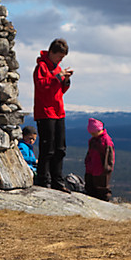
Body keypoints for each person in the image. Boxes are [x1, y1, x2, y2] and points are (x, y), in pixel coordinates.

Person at [33, 38, 73, 192]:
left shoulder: (57, 68)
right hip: (45, 112)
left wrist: (66, 80)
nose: (61, 60)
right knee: (47, 148)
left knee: (60, 148)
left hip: (58, 112)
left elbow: (59, 91)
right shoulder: (41, 67)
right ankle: (44, 180)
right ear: (52, 52)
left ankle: (58, 181)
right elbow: (42, 86)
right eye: (60, 56)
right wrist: (58, 77)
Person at [84, 118, 115, 202]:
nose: (92, 135)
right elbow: (89, 153)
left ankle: (105, 202)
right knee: (90, 187)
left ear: (99, 130)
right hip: (91, 169)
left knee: (101, 188)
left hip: (101, 170)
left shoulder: (106, 142)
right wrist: (87, 163)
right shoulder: (92, 140)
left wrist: (107, 169)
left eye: (94, 133)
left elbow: (109, 157)